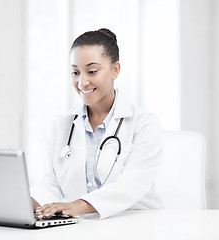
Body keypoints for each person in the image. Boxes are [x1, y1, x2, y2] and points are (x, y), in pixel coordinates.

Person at [30, 28, 163, 219]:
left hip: (136, 225)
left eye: (92, 71)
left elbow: (133, 183)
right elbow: (48, 184)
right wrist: (24, 204)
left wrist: (78, 206)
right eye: (75, 72)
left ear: (115, 70)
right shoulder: (62, 124)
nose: (82, 82)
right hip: (82, 228)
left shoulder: (144, 123)